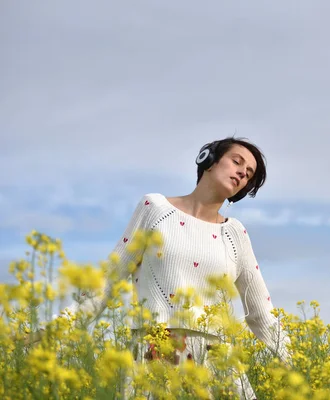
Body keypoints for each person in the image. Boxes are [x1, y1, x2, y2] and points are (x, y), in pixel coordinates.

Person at [56, 137, 291, 398]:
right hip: (156, 352)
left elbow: (261, 312)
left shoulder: (235, 234)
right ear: (209, 160)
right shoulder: (155, 209)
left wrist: (295, 366)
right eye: (237, 162)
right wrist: (50, 332)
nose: (241, 173)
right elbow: (107, 282)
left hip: (216, 361)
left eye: (248, 175)